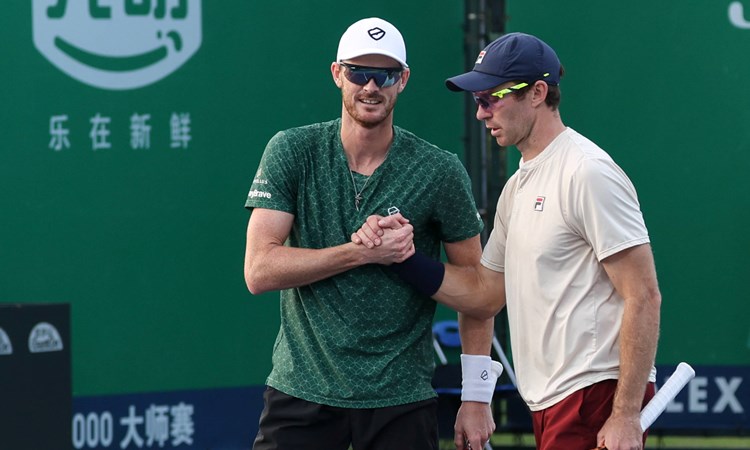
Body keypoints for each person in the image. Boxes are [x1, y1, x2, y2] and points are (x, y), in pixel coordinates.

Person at [354, 32, 662, 450]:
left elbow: (643, 294)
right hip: (550, 400)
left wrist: (625, 413)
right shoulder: (518, 187)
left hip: (594, 394)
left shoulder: (587, 172)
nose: (480, 113)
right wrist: (404, 258)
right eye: (477, 100)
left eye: (490, 99)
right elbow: (483, 296)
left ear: (537, 93)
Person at [243, 17, 501, 450]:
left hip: (401, 400)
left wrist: (476, 396)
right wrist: (361, 252)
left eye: (384, 74)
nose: (371, 86)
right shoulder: (292, 150)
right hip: (301, 390)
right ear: (337, 74)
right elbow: (259, 270)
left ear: (403, 79)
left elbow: (476, 290)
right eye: (359, 72)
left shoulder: (439, 170)